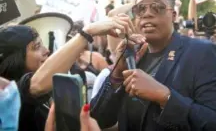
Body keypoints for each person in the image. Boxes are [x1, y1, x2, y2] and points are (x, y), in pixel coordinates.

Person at [90, 0, 216, 131]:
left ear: (174, 15)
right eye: (140, 9)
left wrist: (166, 97)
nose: (147, 14)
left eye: (157, 7)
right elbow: (97, 120)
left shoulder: (202, 52)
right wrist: (117, 73)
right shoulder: (132, 57)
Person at [0, 15, 138, 131]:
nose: (46, 50)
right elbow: (34, 86)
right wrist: (87, 33)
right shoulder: (6, 98)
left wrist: (117, 73)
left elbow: (95, 121)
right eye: (36, 47)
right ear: (16, 58)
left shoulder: (51, 94)